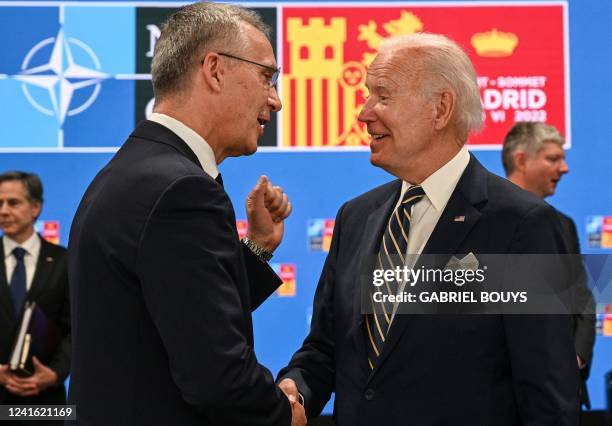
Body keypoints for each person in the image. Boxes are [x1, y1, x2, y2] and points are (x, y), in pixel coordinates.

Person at [278, 33, 580, 425]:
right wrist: (296, 389)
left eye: (382, 96)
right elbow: (325, 349)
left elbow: (548, 395)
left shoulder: (521, 224)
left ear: (440, 108)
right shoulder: (356, 217)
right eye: (368, 96)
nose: (364, 113)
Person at [68, 3, 305, 426]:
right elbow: (216, 377)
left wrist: (257, 247)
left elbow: (175, 314)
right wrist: (283, 415)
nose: (276, 99)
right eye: (266, 76)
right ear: (214, 69)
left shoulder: (135, 168)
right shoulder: (182, 190)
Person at [503, 121, 596, 410]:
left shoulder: (564, 225)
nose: (564, 168)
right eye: (553, 159)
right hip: (500, 393)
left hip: (560, 393)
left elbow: (582, 301)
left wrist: (575, 359)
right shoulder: (479, 220)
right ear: (521, 161)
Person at [0, 171, 70, 425]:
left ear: (36, 207)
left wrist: (54, 373)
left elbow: (76, 328)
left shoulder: (65, 262)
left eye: (13, 202)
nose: (4, 211)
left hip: (48, 405)